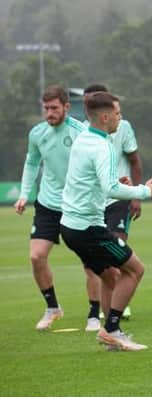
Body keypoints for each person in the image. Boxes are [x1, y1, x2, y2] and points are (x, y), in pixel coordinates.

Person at [60, 91, 152, 351]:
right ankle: (112, 329)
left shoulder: (83, 138)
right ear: (105, 117)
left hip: (69, 226)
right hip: (89, 229)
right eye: (117, 113)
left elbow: (97, 180)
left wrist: (116, 182)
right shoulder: (104, 145)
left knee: (110, 275)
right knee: (135, 269)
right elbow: (111, 189)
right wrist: (143, 191)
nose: (120, 118)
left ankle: (111, 335)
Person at [14, 85, 88, 331]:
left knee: (90, 261)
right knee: (36, 256)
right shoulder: (37, 133)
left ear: (67, 107)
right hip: (47, 204)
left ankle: (95, 313)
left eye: (54, 108)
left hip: (77, 204)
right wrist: (25, 194)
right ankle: (52, 307)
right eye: (46, 108)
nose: (49, 113)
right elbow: (32, 163)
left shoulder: (82, 132)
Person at [81, 83, 143, 331]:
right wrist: (142, 190)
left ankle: (114, 314)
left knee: (119, 255)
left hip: (119, 200)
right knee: (100, 265)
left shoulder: (122, 128)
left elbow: (135, 160)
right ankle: (101, 317)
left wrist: (136, 196)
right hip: (93, 207)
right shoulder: (87, 136)